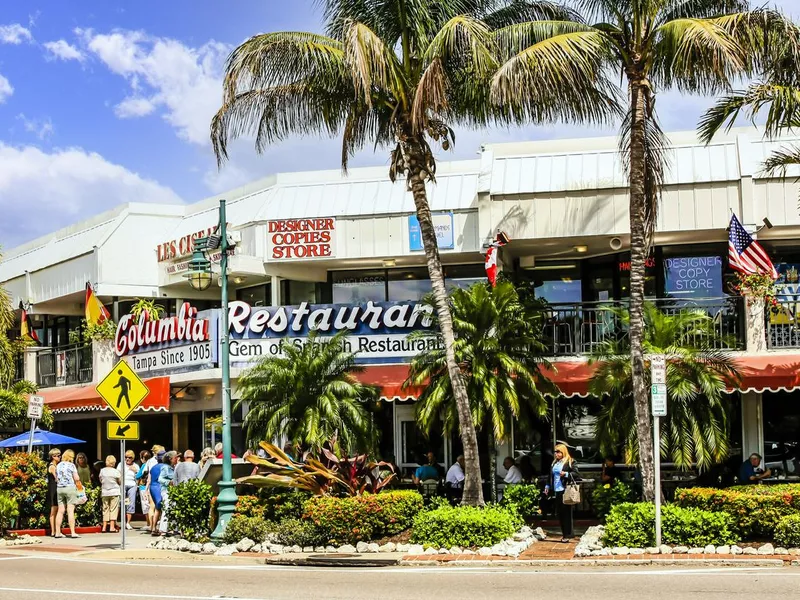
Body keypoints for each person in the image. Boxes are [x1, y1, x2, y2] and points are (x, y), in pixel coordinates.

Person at [544, 444, 581, 543]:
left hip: (565, 489)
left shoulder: (570, 461)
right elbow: (550, 476)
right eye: (555, 452)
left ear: (563, 452)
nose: (556, 454)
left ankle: (567, 534)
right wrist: (547, 486)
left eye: (558, 452)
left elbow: (576, 474)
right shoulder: (554, 463)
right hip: (556, 490)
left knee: (566, 513)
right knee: (559, 513)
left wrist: (566, 474)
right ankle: (565, 533)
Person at [54, 449, 82, 539]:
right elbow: (76, 478)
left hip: (60, 488)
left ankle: (57, 532)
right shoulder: (71, 465)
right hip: (70, 488)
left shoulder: (58, 465)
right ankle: (73, 532)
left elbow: (57, 478)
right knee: (70, 510)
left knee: (60, 511)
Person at [99, 455, 122, 533]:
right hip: (114, 492)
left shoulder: (102, 471)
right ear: (114, 463)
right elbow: (120, 482)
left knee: (105, 509)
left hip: (105, 492)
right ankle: (112, 527)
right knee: (113, 509)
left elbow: (100, 479)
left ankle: (104, 527)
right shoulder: (116, 471)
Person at [158, 451, 179, 534]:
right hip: (166, 491)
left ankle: (173, 528)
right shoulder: (165, 468)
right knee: (167, 508)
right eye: (175, 457)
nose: (177, 459)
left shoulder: (173, 467)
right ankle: (163, 529)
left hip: (172, 491)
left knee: (173, 508)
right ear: (170, 459)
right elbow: (160, 479)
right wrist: (168, 482)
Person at [147, 449, 166, 536]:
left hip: (153, 488)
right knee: (163, 508)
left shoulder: (153, 467)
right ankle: (162, 528)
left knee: (157, 508)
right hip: (160, 487)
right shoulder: (165, 467)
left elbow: (150, 479)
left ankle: (154, 528)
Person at [119, 450, 139, 530]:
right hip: (123, 485)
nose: (127, 459)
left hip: (132, 485)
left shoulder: (136, 466)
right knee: (122, 503)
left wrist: (136, 471)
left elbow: (139, 476)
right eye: (126, 457)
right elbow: (118, 474)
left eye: (129, 457)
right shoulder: (121, 464)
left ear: (133, 458)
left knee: (131, 504)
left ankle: (128, 523)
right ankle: (122, 522)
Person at [135, 450, 152, 530]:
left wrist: (135, 472)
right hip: (151, 487)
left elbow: (138, 475)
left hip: (143, 488)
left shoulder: (144, 465)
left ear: (142, 458)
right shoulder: (153, 464)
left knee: (145, 506)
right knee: (151, 505)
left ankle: (149, 523)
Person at [46, 448, 61, 537]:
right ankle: (53, 530)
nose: (59, 457)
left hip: (56, 488)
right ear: (53, 456)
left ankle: (56, 529)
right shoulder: (52, 466)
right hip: (53, 489)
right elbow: (56, 478)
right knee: (53, 510)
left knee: (58, 510)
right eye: (58, 455)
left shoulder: (57, 466)